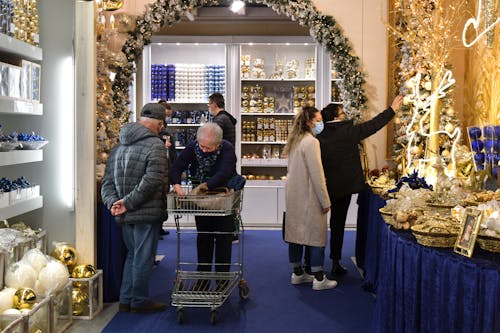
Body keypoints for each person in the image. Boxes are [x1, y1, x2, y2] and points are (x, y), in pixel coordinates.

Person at [317, 95, 403, 276]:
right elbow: (374, 125)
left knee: (317, 225)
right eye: (342, 113)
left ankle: (312, 264)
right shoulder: (349, 132)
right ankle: (335, 261)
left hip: (324, 186)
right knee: (338, 223)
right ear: (336, 116)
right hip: (345, 187)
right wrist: (392, 109)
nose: (345, 115)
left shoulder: (319, 136)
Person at [101, 103, 169, 313]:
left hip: (124, 212)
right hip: (145, 211)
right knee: (143, 257)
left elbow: (107, 182)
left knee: (132, 254)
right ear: (158, 124)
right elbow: (152, 181)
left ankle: (126, 299)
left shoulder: (118, 145)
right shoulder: (156, 146)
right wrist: (127, 203)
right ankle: (138, 300)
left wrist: (114, 202)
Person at [169, 123, 237, 290]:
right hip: (202, 202)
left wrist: (204, 187)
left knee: (223, 240)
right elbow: (176, 167)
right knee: (204, 238)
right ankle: (203, 279)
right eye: (202, 146)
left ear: (219, 143)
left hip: (223, 198)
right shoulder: (193, 147)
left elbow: (224, 173)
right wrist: (177, 184)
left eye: (209, 148)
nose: (205, 150)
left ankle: (222, 281)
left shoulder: (227, 149)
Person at [283, 106, 337, 290]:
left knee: (295, 235)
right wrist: (325, 201)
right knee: (316, 235)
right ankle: (319, 278)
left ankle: (298, 273)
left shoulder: (295, 140)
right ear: (309, 122)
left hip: (294, 195)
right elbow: (317, 175)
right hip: (309, 196)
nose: (320, 123)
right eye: (318, 119)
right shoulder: (311, 142)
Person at [208, 92, 240, 243]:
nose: (208, 107)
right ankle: (232, 231)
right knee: (230, 198)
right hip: (228, 164)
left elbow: (211, 138)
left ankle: (229, 233)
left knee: (225, 198)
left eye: (209, 104)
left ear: (214, 104)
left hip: (222, 165)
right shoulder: (226, 118)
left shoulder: (220, 120)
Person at [157, 100, 177, 238]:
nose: (167, 118)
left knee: (163, 199)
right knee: (159, 200)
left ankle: (159, 227)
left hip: (166, 167)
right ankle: (157, 228)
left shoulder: (164, 129)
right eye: (166, 115)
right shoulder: (159, 132)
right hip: (162, 168)